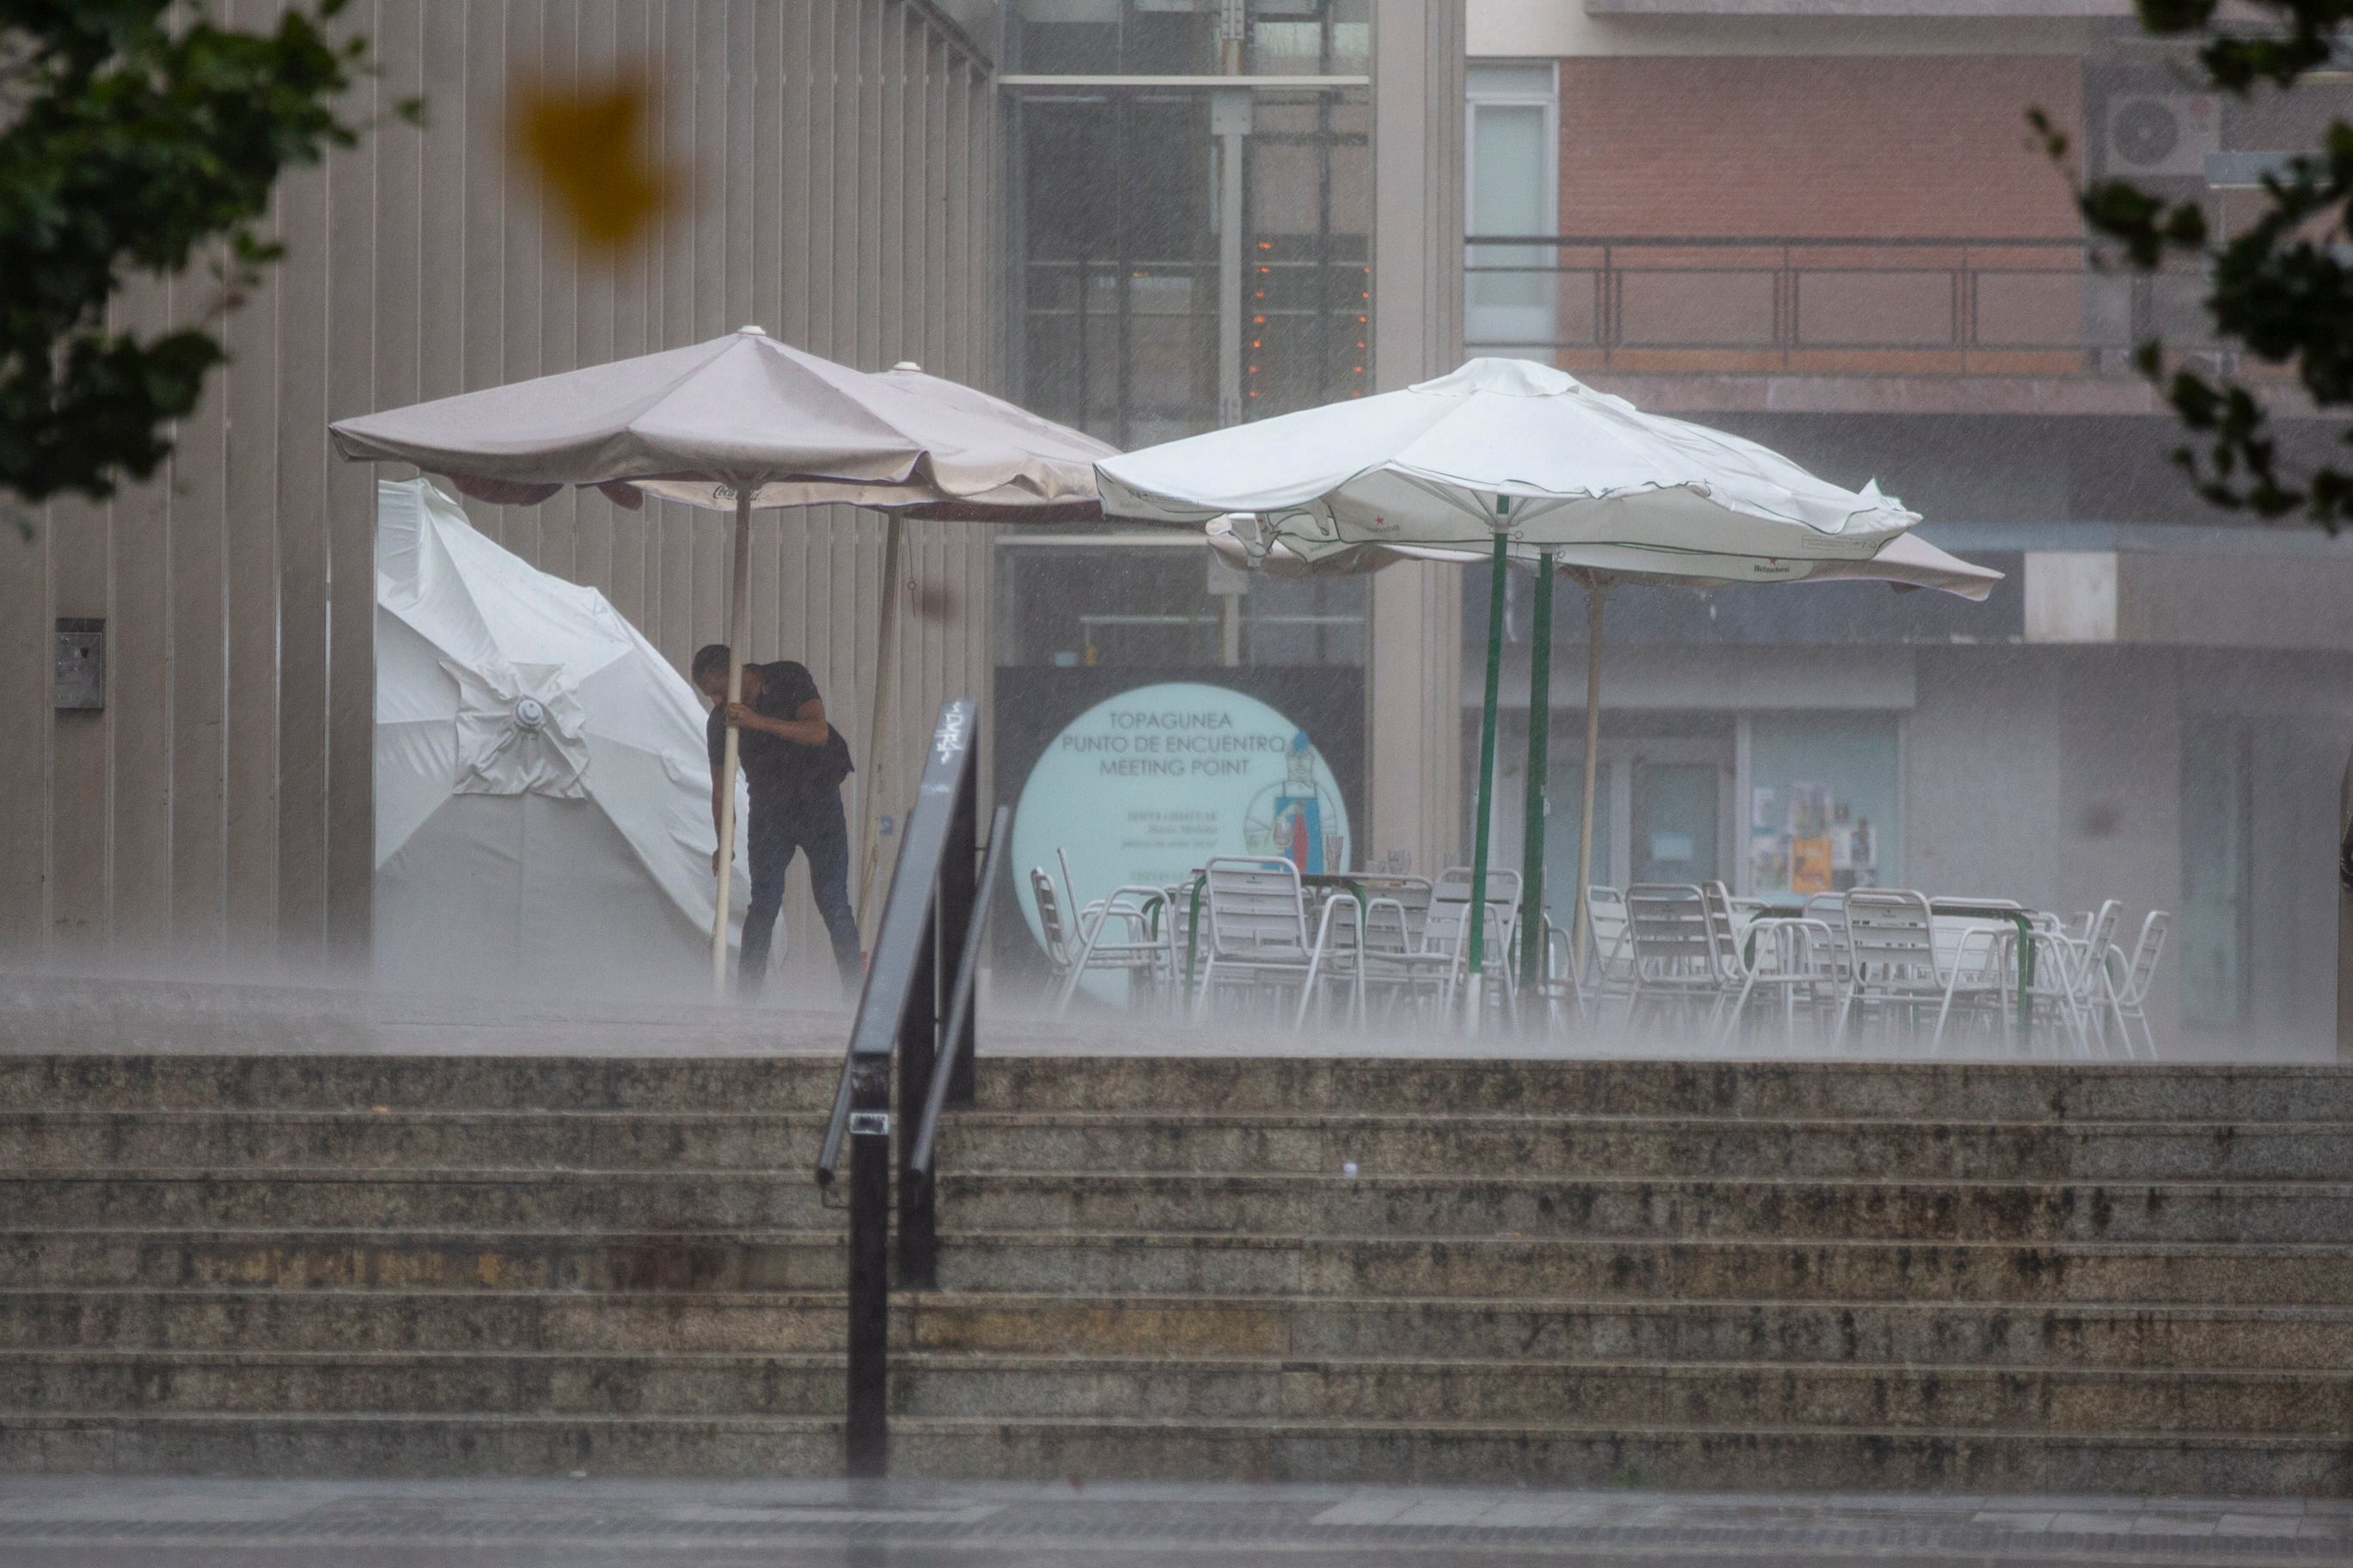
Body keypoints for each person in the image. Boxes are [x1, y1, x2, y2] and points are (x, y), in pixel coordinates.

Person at [694, 645, 860, 998]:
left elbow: (818, 732)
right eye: (711, 696)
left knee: (832, 899)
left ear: (738, 673)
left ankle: (855, 995)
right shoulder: (720, 723)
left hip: (818, 800)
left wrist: (758, 722)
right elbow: (720, 788)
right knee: (764, 902)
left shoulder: (787, 676)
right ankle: (748, 999)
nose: (718, 701)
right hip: (771, 808)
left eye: (720, 690)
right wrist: (725, 842)